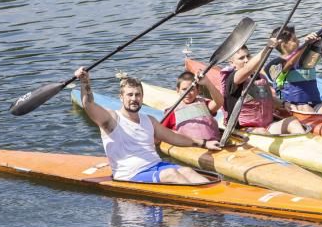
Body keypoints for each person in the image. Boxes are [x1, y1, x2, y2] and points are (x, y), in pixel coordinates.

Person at [75, 68, 218, 185]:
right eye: (129, 95)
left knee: (188, 171)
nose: (134, 99)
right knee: (171, 174)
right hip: (130, 175)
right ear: (121, 97)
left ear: (142, 98)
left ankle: (214, 201)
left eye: (137, 95)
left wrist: (204, 143)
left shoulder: (149, 120)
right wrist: (85, 82)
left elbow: (174, 137)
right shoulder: (112, 119)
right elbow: (88, 105)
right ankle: (205, 206)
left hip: (156, 166)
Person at [221, 39, 306, 135]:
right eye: (241, 58)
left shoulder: (259, 77)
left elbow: (267, 98)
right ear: (232, 63)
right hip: (243, 129)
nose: (246, 60)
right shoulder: (232, 78)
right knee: (262, 131)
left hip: (266, 125)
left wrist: (283, 104)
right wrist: (266, 48)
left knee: (293, 122)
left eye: (248, 56)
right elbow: (248, 68)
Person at [263, 20, 322, 115]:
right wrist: (306, 44)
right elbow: (290, 63)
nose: (298, 41)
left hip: (316, 104)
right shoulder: (275, 64)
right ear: (283, 45)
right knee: (307, 109)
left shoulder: (308, 58)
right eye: (294, 40)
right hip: (294, 106)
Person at [160, 70, 222, 141]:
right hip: (190, 148)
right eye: (184, 89)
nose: (188, 93)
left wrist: (207, 83)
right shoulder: (172, 112)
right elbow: (160, 132)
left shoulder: (205, 104)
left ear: (198, 90)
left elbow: (219, 102)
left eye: (191, 89)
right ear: (177, 90)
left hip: (214, 144)